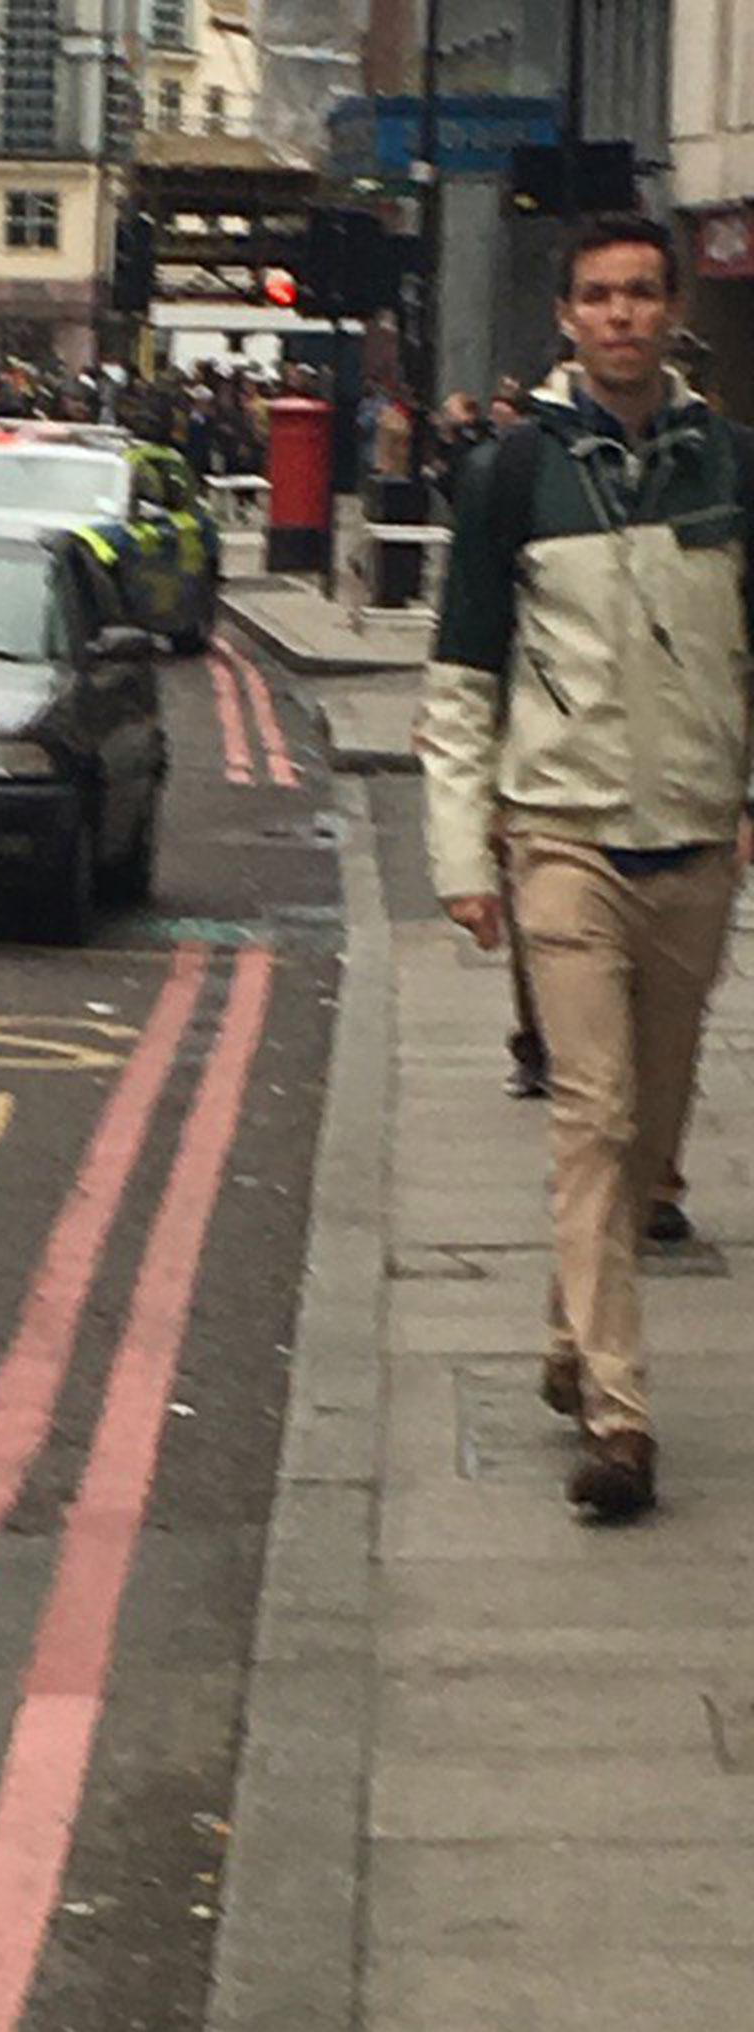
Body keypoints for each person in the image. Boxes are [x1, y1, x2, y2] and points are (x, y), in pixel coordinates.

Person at [418, 213, 754, 1520]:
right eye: (597, 296)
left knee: (654, 1136)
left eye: (641, 294)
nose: (620, 315)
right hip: (560, 836)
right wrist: (465, 855)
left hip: (692, 842)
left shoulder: (729, 466)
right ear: (566, 317)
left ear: (674, 313)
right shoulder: (511, 472)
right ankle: (620, 1419)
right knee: (595, 1113)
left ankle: (571, 1326)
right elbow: (459, 684)